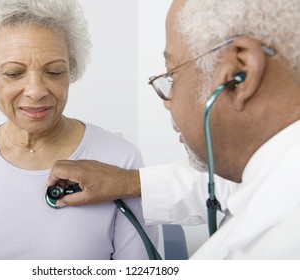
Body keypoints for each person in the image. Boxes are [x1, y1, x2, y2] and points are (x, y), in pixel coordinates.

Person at [47, 0, 300, 259]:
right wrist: (128, 182)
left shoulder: (283, 244)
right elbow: (225, 187)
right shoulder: (277, 175)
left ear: (239, 72)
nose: (168, 103)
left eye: (172, 75)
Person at [0, 0, 157, 260]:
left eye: (54, 72)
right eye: (14, 73)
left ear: (71, 70)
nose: (36, 90)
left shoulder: (120, 161)